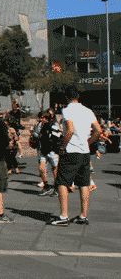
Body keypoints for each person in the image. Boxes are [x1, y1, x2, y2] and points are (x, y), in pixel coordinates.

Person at [49, 85, 102, 226]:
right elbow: (98, 130)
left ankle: (63, 216)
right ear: (78, 96)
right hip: (84, 152)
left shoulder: (67, 110)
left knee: (62, 182)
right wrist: (87, 143)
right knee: (84, 184)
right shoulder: (88, 111)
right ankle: (83, 215)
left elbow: (70, 130)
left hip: (71, 151)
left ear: (66, 97)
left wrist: (62, 146)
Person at [37, 111, 62, 196]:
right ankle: (46, 185)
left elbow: (58, 137)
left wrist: (56, 150)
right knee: (41, 168)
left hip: (52, 151)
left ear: (46, 118)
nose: (41, 119)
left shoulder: (53, 126)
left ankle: (56, 187)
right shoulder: (42, 126)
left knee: (54, 169)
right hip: (44, 150)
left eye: (42, 118)